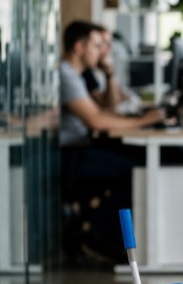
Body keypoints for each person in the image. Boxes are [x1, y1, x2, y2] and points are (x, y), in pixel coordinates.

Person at [59, 20, 167, 261]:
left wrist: (110, 78)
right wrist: (143, 120)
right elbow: (97, 120)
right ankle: (97, 234)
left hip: (83, 146)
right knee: (137, 169)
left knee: (136, 159)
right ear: (79, 47)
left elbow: (107, 108)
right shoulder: (66, 75)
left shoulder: (76, 75)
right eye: (97, 45)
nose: (102, 52)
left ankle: (100, 231)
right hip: (73, 154)